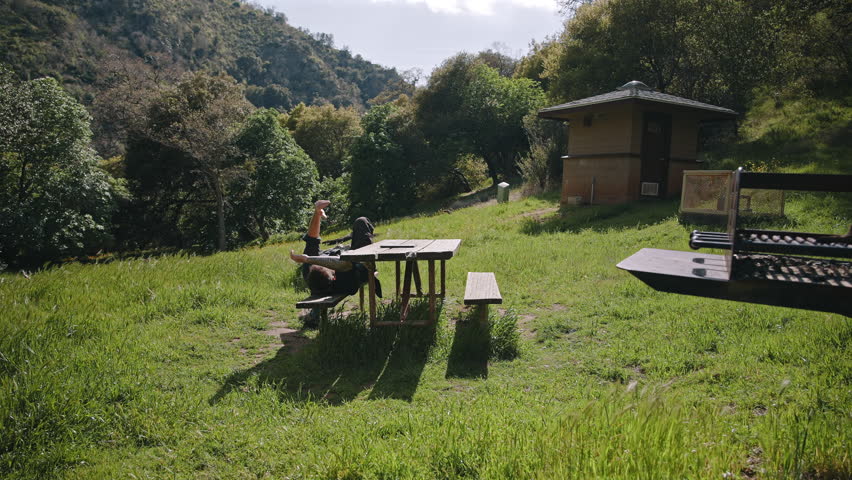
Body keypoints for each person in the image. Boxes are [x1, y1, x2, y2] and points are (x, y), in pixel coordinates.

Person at [290, 200, 382, 298]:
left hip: (342, 257)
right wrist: (308, 259)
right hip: (359, 262)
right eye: (326, 265)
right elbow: (344, 262)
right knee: (361, 221)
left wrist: (317, 213)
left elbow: (312, 239)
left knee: (312, 247)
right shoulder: (345, 282)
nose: (322, 262)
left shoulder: (309, 270)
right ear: (334, 277)